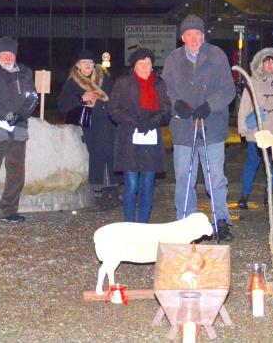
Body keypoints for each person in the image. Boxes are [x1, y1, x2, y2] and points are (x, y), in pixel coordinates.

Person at [162, 14, 236, 241]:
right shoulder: (173, 59)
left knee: (215, 178)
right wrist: (177, 104)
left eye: (197, 35)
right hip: (184, 130)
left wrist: (210, 105)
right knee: (185, 177)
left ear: (203, 36)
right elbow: (166, 89)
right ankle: (185, 222)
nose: (194, 39)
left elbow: (228, 89)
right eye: (189, 35)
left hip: (211, 128)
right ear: (183, 38)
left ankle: (221, 220)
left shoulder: (217, 56)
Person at [0, 36, 38, 224]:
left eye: (11, 54)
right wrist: (5, 115)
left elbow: (32, 97)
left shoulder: (25, 73)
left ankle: (9, 210)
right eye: (4, 54)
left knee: (16, 174)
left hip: (18, 131)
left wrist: (19, 116)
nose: (7, 57)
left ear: (15, 55)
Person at [108, 48, 171, 222]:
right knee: (131, 184)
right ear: (134, 66)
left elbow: (166, 111)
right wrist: (135, 121)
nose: (144, 67)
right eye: (141, 63)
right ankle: (130, 224)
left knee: (147, 185)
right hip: (129, 140)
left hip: (150, 141)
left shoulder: (159, 84)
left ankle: (143, 224)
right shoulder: (123, 83)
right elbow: (113, 109)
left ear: (152, 66)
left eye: (148, 63)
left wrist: (150, 122)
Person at [236, 48, 273, 209]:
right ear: (261, 65)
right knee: (252, 163)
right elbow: (245, 106)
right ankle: (244, 195)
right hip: (256, 131)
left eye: (272, 62)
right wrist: (243, 128)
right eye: (266, 62)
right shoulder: (253, 81)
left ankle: (268, 196)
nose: (269, 65)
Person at [58, 49, 118, 202]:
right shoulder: (72, 83)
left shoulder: (104, 79)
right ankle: (98, 189)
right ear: (78, 65)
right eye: (84, 62)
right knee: (97, 153)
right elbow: (62, 106)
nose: (88, 65)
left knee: (110, 152)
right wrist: (81, 98)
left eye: (90, 62)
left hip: (106, 121)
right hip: (87, 122)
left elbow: (114, 98)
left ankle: (113, 187)